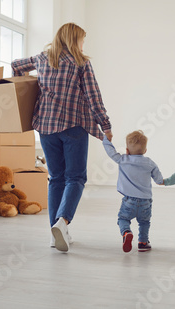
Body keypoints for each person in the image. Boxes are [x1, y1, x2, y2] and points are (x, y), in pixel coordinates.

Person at [12, 23, 112, 253]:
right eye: (82, 40)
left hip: (45, 127)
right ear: (74, 39)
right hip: (73, 126)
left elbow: (16, 67)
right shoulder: (81, 63)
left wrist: (29, 91)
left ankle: (54, 233)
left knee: (56, 178)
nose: (83, 44)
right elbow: (94, 96)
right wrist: (105, 125)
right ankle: (62, 222)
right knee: (75, 177)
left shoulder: (41, 58)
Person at [103, 130, 163, 253]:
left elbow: (111, 152)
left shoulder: (123, 160)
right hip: (145, 202)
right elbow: (159, 180)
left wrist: (106, 140)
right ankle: (143, 243)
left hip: (129, 201)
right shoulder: (150, 163)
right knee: (144, 222)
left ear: (127, 150)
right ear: (145, 151)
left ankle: (126, 232)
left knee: (123, 219)